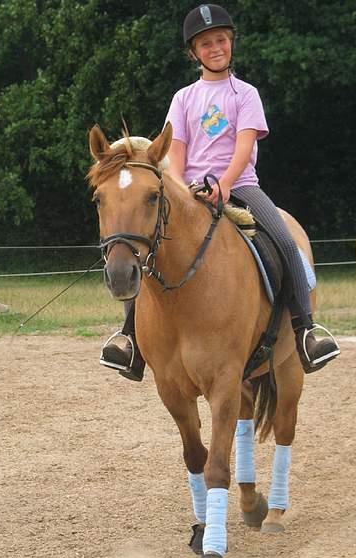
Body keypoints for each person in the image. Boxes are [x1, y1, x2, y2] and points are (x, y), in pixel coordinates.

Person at [101, 3, 340, 381]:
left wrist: (225, 185)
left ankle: (306, 328)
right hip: (189, 190)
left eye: (221, 40)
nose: (216, 48)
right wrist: (178, 188)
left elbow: (243, 146)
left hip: (241, 186)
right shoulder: (183, 98)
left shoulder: (245, 94)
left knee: (283, 239)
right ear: (193, 52)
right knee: (147, 250)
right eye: (206, 43)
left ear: (231, 43)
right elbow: (173, 151)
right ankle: (129, 338)